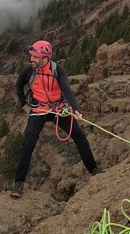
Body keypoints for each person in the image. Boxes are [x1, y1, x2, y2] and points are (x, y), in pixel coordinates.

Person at [11, 40, 98, 198]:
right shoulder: (28, 71)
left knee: (78, 135)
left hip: (57, 108)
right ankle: (19, 182)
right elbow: (18, 86)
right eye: (32, 56)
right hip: (39, 108)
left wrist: (76, 109)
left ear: (45, 58)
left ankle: (94, 170)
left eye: (35, 57)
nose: (32, 59)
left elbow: (66, 89)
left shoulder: (58, 70)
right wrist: (24, 103)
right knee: (28, 143)